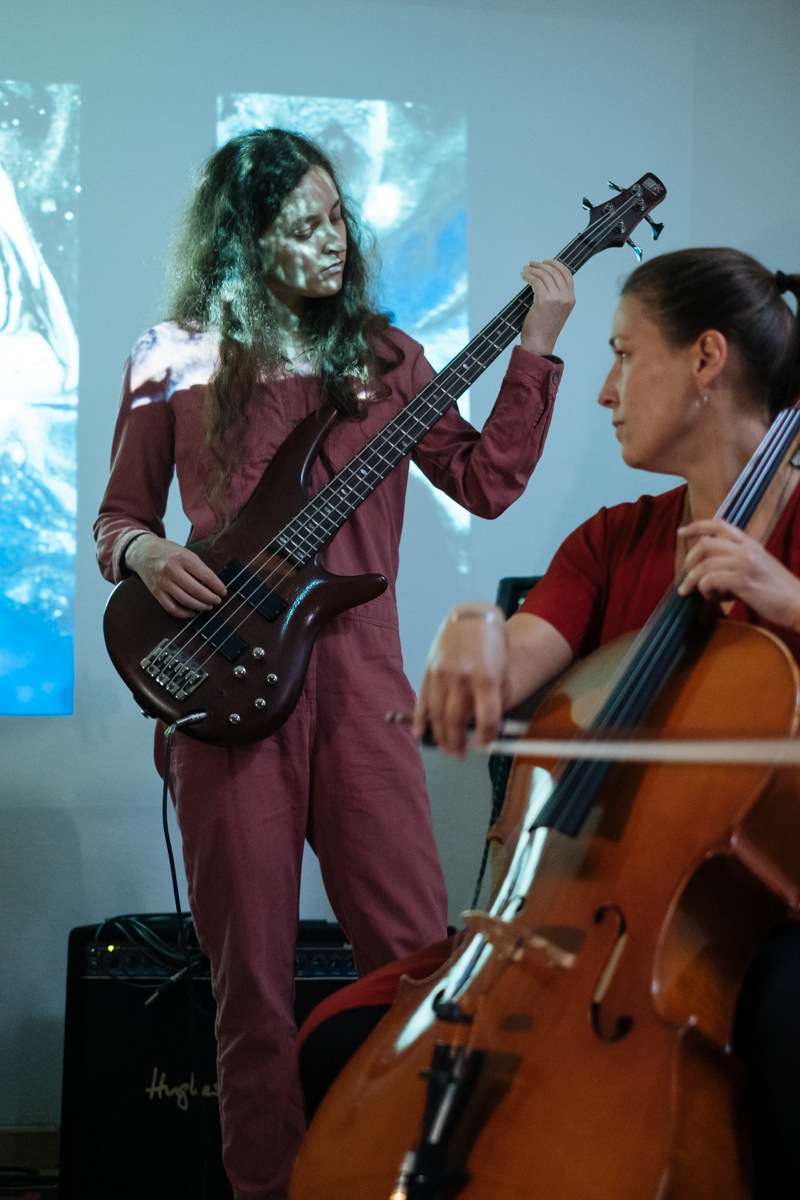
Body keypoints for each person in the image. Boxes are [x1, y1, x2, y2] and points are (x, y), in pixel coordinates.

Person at [94, 128, 575, 1200]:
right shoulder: (170, 356)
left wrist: (536, 346)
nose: (333, 238)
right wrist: (146, 553)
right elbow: (118, 518)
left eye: (336, 215)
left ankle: (409, 1177)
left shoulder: (388, 358)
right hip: (223, 685)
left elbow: (485, 482)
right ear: (241, 240)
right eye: (301, 222)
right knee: (252, 997)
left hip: (361, 682)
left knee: (412, 962)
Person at [414, 247, 800, 1198]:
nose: (602, 390)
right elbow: (511, 666)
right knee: (347, 1037)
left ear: (706, 359)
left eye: (624, 355)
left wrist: (791, 600)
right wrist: (471, 629)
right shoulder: (612, 541)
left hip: (775, 917)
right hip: (605, 928)